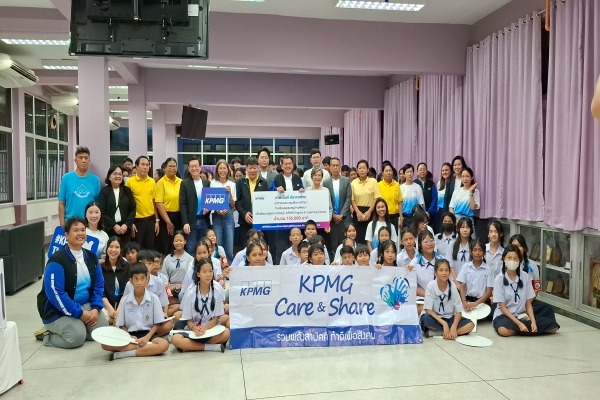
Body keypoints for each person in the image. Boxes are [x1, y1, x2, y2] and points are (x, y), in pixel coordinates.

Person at [35, 217, 108, 348]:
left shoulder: (92, 257)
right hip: (58, 310)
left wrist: (96, 308)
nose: (80, 233)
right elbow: (56, 294)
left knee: (101, 331)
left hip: (86, 305)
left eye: (83, 230)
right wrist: (79, 313)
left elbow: (99, 285)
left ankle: (79, 327)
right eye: (76, 230)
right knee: (76, 338)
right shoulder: (57, 260)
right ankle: (48, 335)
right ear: (67, 235)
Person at [101, 263, 170, 361]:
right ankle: (145, 348)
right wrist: (129, 337)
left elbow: (157, 324)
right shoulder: (125, 300)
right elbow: (121, 325)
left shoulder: (154, 299)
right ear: (131, 281)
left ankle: (124, 354)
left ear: (147, 280)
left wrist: (146, 338)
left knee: (164, 345)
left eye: (142, 278)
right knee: (105, 345)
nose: (139, 282)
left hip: (148, 335)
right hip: (130, 336)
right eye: (136, 279)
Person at [492, 245, 560, 337]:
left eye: (515, 258)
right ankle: (522, 329)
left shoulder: (525, 277)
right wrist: (519, 324)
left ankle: (523, 329)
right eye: (509, 258)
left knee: (553, 328)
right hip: (505, 316)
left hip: (522, 315)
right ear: (504, 259)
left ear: (520, 261)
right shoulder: (499, 279)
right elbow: (503, 308)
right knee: (503, 331)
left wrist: (533, 321)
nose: (512, 261)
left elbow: (528, 304)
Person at [171, 258, 229, 353]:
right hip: (194, 330)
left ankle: (192, 346)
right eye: (204, 272)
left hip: (211, 328)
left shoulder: (217, 291)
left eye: (210, 271)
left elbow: (215, 319)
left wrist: (204, 328)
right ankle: (212, 347)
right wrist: (195, 328)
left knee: (226, 333)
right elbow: (189, 320)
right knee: (175, 339)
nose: (208, 274)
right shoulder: (191, 293)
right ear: (198, 274)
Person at [421, 259, 474, 339]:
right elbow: (428, 310)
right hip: (436, 318)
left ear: (449, 272)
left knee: (470, 325)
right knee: (425, 319)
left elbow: (459, 312)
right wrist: (444, 324)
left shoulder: (453, 287)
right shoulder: (430, 286)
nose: (444, 273)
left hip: (450, 319)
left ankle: (442, 333)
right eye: (441, 270)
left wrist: (454, 326)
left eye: (446, 270)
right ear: (435, 273)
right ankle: (448, 332)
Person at [270, 155, 305, 263]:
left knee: (297, 248)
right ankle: (279, 271)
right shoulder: (277, 178)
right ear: (281, 166)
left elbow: (305, 194)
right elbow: (269, 194)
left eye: (290, 164)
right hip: (281, 220)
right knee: (280, 248)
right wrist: (276, 189)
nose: (288, 166)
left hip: (296, 219)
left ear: (293, 165)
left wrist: (302, 191)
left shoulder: (298, 178)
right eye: (285, 164)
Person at [58, 146, 101, 226]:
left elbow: (98, 205)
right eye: (80, 158)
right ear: (75, 161)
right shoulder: (66, 178)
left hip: (89, 223)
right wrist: (62, 224)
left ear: (89, 161)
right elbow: (61, 204)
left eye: (86, 158)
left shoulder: (95, 180)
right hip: (70, 222)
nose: (83, 160)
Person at [126, 156, 159, 251]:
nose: (145, 167)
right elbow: (126, 205)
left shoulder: (152, 181)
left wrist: (157, 220)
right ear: (136, 166)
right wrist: (130, 222)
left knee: (150, 249)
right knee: (137, 250)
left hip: (151, 221)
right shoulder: (130, 182)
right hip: (137, 222)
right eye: (143, 164)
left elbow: (154, 202)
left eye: (147, 165)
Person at [179, 156, 211, 255]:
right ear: (189, 168)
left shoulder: (207, 183)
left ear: (200, 167)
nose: (194, 168)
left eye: (196, 166)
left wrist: (208, 209)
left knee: (204, 249)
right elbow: (182, 204)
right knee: (191, 250)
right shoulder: (184, 184)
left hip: (204, 220)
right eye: (192, 166)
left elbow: (209, 201)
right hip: (191, 222)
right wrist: (185, 222)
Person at [98, 165, 136, 246]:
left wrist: (126, 225)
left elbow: (133, 209)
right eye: (115, 174)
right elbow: (101, 212)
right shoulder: (104, 191)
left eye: (120, 174)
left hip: (125, 230)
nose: (118, 176)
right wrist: (113, 225)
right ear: (109, 177)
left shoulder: (127, 191)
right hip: (110, 230)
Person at [236, 157, 269, 242]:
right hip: (244, 221)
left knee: (259, 245)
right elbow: (238, 202)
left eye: (254, 168)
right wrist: (244, 214)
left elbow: (267, 202)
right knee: (245, 246)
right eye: (250, 168)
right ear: (246, 168)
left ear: (258, 168)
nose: (252, 170)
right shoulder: (240, 181)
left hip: (259, 221)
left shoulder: (263, 182)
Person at [323, 157, 352, 253]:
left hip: (344, 218)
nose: (335, 167)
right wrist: (333, 215)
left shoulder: (346, 181)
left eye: (337, 165)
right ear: (330, 167)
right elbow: (325, 201)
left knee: (345, 244)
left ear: (340, 167)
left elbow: (348, 198)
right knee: (333, 244)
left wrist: (341, 214)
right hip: (331, 219)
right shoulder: (326, 183)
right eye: (333, 165)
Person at [154, 157, 183, 255]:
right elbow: (159, 203)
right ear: (165, 168)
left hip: (179, 217)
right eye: (170, 166)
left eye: (174, 166)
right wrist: (168, 222)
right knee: (166, 246)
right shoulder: (161, 183)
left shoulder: (181, 182)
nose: (172, 168)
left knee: (178, 243)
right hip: (165, 218)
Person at [210, 160, 236, 262]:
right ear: (217, 170)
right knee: (218, 246)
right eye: (220, 168)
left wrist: (230, 194)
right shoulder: (213, 183)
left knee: (229, 247)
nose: (222, 170)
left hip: (229, 215)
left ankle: (229, 267)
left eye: (224, 168)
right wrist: (217, 210)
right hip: (216, 216)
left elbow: (233, 206)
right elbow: (211, 202)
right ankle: (218, 267)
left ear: (228, 170)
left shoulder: (232, 184)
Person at [161, 231, 194, 313]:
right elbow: (163, 277)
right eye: (176, 241)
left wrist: (182, 285)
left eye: (181, 240)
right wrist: (169, 285)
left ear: (185, 242)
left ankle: (176, 307)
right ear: (173, 242)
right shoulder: (167, 259)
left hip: (184, 289)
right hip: (170, 289)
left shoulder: (190, 259)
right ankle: (178, 306)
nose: (178, 243)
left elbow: (191, 278)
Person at [457, 240, 494, 313]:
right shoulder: (466, 267)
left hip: (483, 302)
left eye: (480, 250)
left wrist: (476, 304)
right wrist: (464, 301)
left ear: (484, 252)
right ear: (471, 252)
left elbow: (489, 292)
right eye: (475, 250)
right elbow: (462, 287)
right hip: (468, 300)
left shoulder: (488, 269)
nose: (477, 253)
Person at [351, 159, 381, 244]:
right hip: (358, 212)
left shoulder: (373, 181)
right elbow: (352, 199)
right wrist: (358, 212)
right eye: (360, 168)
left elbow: (376, 198)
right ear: (357, 170)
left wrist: (369, 212)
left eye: (364, 168)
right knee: (359, 237)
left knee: (370, 237)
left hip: (371, 211)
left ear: (368, 170)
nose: (362, 170)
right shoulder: (353, 183)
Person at [102, 237, 130, 325]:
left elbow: (126, 291)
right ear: (107, 249)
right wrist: (110, 308)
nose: (113, 250)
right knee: (100, 318)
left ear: (120, 250)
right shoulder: (100, 268)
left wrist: (118, 311)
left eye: (117, 247)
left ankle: (116, 320)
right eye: (111, 246)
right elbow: (100, 291)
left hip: (122, 304)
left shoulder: (126, 267)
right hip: (106, 305)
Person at [378, 163, 403, 230]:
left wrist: (401, 217)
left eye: (390, 170)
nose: (388, 173)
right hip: (383, 216)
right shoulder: (378, 185)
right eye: (386, 171)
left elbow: (399, 203)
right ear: (382, 173)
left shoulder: (396, 185)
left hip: (395, 216)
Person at [400, 164, 424, 229]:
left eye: (411, 171)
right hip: (404, 217)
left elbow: (421, 204)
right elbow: (399, 204)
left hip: (415, 216)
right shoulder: (401, 188)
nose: (409, 174)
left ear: (413, 173)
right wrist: (401, 218)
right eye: (407, 172)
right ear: (404, 174)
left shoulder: (418, 187)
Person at [435, 163, 454, 232]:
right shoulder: (439, 183)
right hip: (440, 210)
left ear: (451, 171)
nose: (444, 172)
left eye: (446, 170)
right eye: (443, 170)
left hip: (449, 210)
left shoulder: (453, 183)